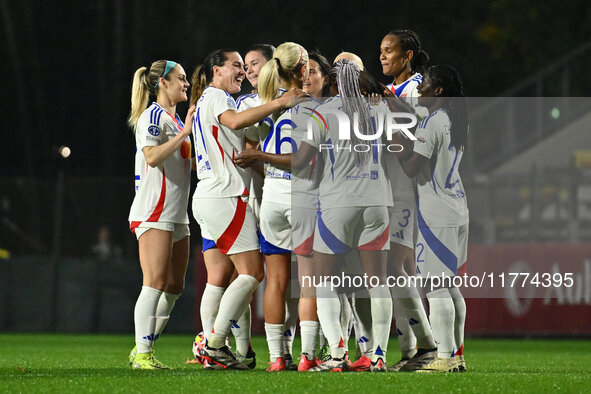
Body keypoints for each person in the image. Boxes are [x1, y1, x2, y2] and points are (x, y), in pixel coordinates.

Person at [190, 49, 305, 370]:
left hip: (210, 195)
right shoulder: (216, 97)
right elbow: (237, 120)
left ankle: (223, 349)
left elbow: (246, 134)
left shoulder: (208, 100)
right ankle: (213, 344)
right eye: (235, 65)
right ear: (216, 70)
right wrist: (281, 102)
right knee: (252, 272)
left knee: (222, 276)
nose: (242, 71)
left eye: (245, 65)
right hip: (227, 196)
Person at [398, 65, 469, 372]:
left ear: (438, 91)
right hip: (458, 207)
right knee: (450, 287)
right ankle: (456, 355)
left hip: (436, 213)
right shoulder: (456, 118)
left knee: (436, 288)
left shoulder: (433, 121)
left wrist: (396, 144)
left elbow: (413, 168)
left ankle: (446, 357)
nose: (420, 90)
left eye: (424, 84)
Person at [379, 29, 440, 372]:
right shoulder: (390, 91)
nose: (383, 56)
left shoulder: (418, 88)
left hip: (405, 187)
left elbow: (417, 128)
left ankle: (427, 346)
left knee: (395, 268)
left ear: (408, 55)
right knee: (397, 272)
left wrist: (384, 102)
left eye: (390, 51)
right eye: (381, 51)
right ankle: (409, 352)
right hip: (384, 187)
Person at [127, 60, 194, 370]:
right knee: (154, 281)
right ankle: (142, 353)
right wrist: (185, 135)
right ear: (162, 83)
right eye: (180, 78)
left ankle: (146, 345)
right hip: (155, 210)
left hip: (177, 212)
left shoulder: (175, 119)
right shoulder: (152, 116)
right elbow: (152, 157)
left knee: (175, 285)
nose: (186, 83)